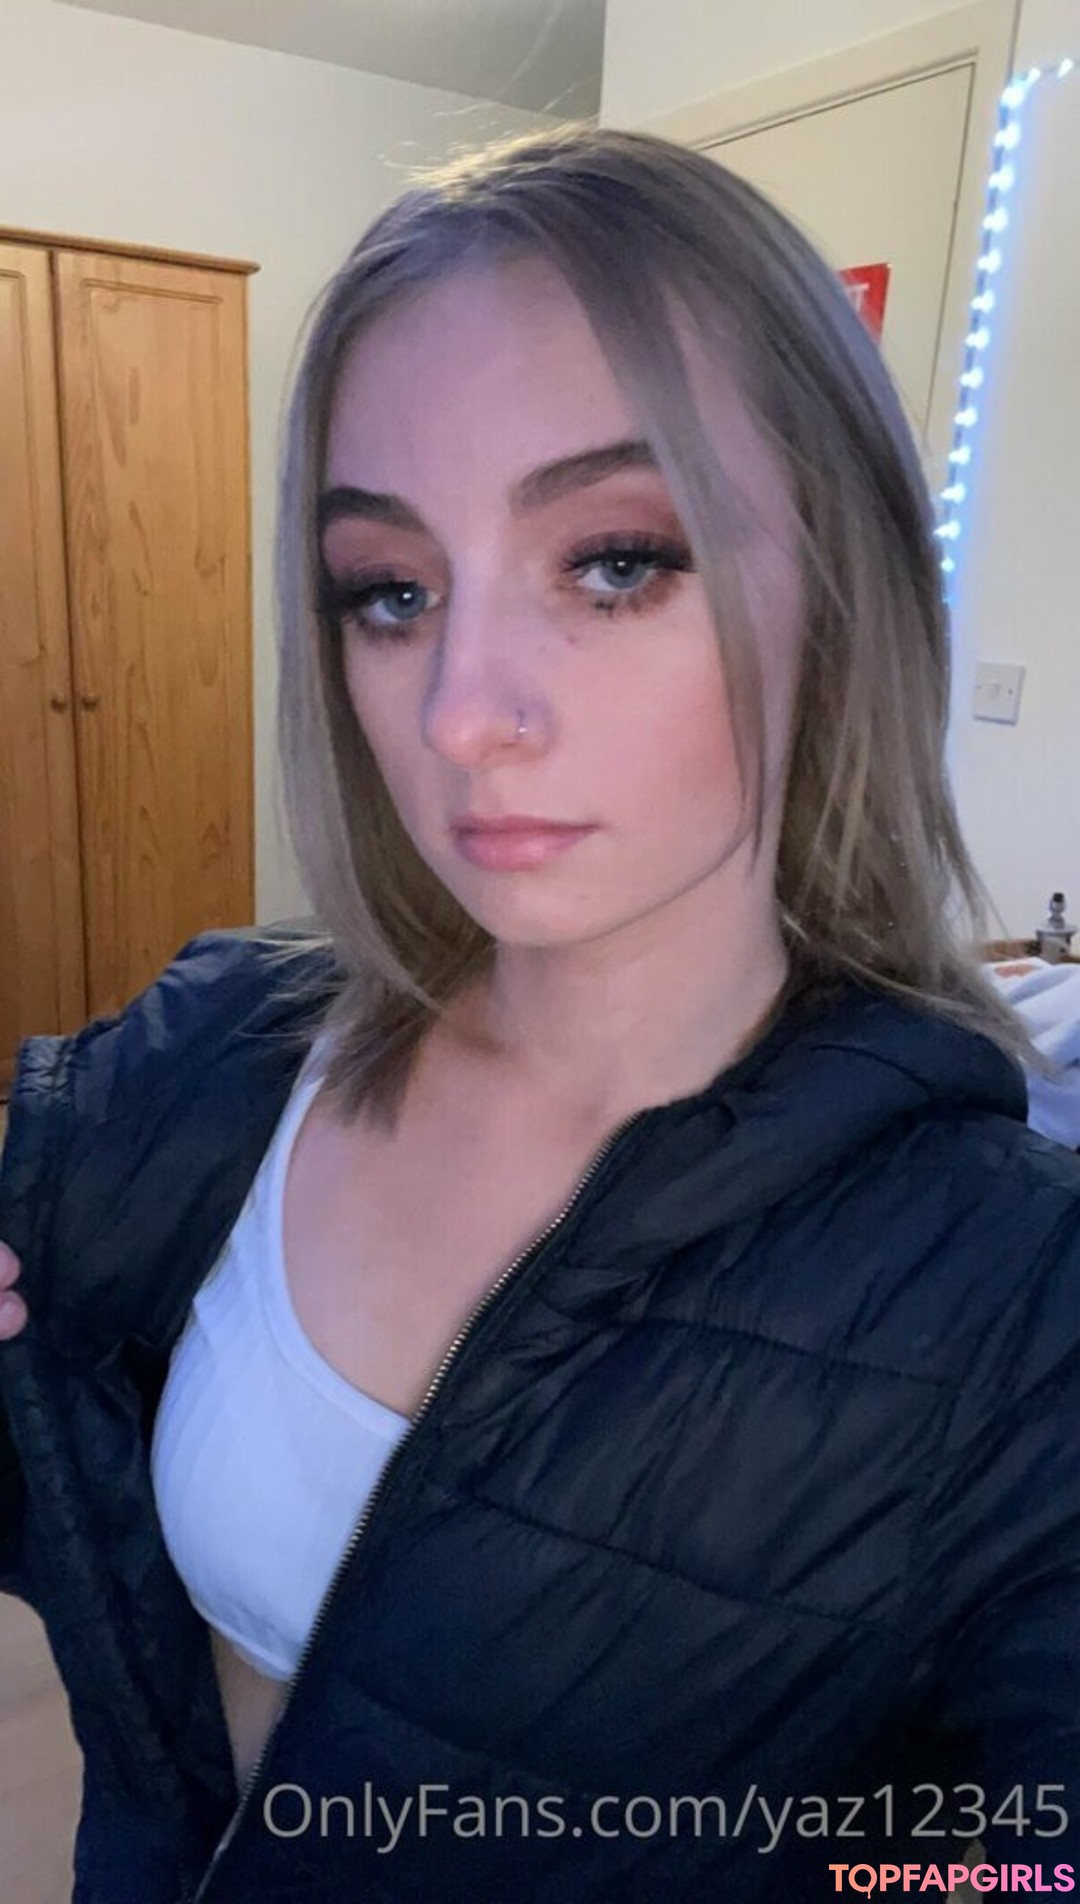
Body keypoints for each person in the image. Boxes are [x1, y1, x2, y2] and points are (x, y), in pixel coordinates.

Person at [1, 124, 1078, 1904]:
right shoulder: (218, 1058)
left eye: (614, 561)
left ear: (846, 581)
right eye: (392, 591)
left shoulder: (1017, 1297)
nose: (459, 714)